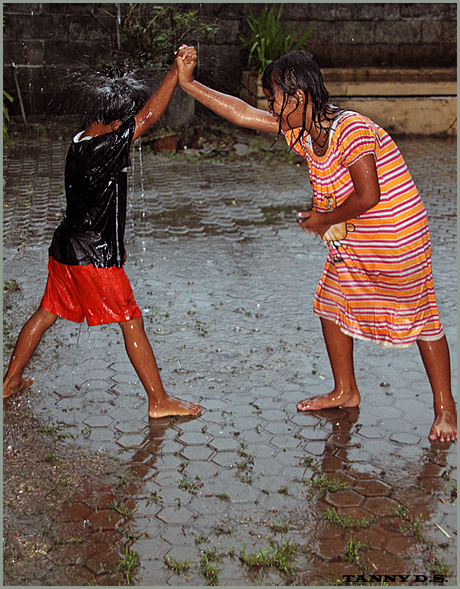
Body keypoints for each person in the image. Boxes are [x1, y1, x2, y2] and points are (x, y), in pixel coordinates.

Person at [175, 48, 456, 442]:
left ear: (298, 98)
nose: (270, 106)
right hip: (354, 234)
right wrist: (188, 83)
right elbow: (241, 113)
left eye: (274, 97)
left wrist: (322, 218)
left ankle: (445, 410)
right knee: (330, 303)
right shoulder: (303, 130)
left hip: (396, 237)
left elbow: (369, 194)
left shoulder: (351, 130)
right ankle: (345, 390)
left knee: (422, 317)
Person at [3, 47, 202, 420]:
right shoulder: (107, 146)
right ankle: (158, 400)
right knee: (131, 320)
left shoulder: (80, 140)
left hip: (65, 248)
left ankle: (9, 381)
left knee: (46, 312)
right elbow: (150, 115)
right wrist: (176, 73)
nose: (129, 131)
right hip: (92, 258)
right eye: (124, 125)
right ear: (114, 124)